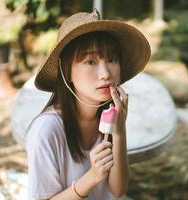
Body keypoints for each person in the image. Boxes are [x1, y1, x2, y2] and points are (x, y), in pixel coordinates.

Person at [26, 8, 151, 200]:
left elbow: (118, 190)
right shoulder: (46, 130)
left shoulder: (108, 116)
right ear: (66, 71)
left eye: (112, 59)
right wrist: (92, 177)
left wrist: (119, 132)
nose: (106, 74)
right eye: (90, 61)